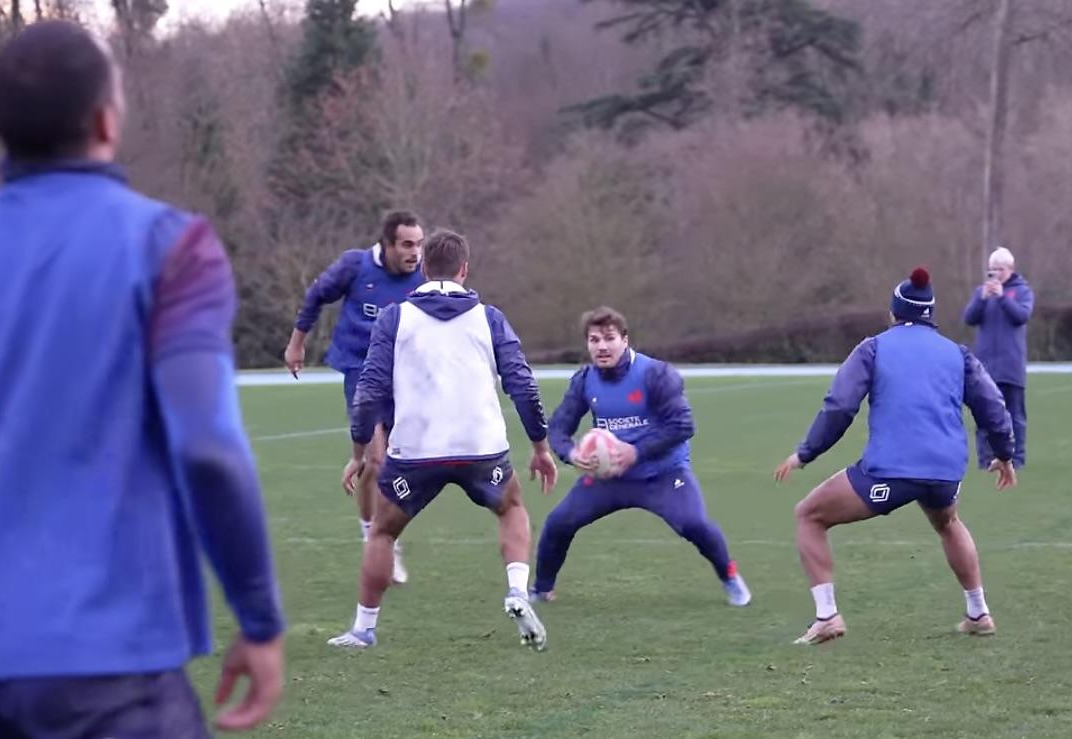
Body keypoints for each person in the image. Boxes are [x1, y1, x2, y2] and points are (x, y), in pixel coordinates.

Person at [0, 21, 284, 735]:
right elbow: (208, 448)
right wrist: (258, 615)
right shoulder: (170, 247)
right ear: (105, 119)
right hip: (105, 661)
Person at [326, 229, 559, 651]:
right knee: (511, 508)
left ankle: (363, 629)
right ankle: (516, 591)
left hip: (415, 451)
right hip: (481, 449)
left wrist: (359, 451)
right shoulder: (489, 318)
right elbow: (523, 385)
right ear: (464, 270)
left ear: (423, 270)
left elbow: (369, 390)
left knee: (382, 532)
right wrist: (540, 446)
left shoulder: (395, 318)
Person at [775, 268, 1017, 646]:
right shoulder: (957, 354)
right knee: (948, 522)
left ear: (894, 312)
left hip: (890, 472)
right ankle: (978, 612)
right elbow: (993, 406)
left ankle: (827, 616)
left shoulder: (874, 348)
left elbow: (840, 406)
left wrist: (805, 453)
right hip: (945, 471)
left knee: (809, 515)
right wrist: (1004, 454)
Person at [530, 307, 752, 607]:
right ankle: (542, 590)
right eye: (594, 340)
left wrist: (636, 451)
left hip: (662, 474)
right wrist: (571, 453)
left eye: (609, 338)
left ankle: (730, 577)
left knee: (695, 525)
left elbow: (683, 425)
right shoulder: (584, 380)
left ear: (625, 340)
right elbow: (558, 428)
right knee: (558, 523)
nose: (602, 346)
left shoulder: (656, 374)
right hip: (609, 478)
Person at [284, 210, 426, 584]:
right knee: (375, 461)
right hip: (360, 372)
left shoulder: (425, 277)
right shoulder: (354, 266)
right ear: (387, 245)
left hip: (405, 378)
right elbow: (316, 297)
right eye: (407, 245)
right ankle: (375, 540)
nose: (415, 252)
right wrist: (296, 344)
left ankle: (384, 534)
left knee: (400, 465)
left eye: (419, 244)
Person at [962, 246, 1034, 468]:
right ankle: (986, 460)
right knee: (985, 416)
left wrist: (1002, 297)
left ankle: (1016, 459)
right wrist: (983, 299)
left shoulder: (1022, 292)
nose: (995, 274)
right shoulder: (981, 293)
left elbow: (1021, 316)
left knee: (1015, 417)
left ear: (1010, 269)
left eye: (1000, 269)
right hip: (985, 368)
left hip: (1011, 367)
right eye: (992, 270)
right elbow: (969, 318)